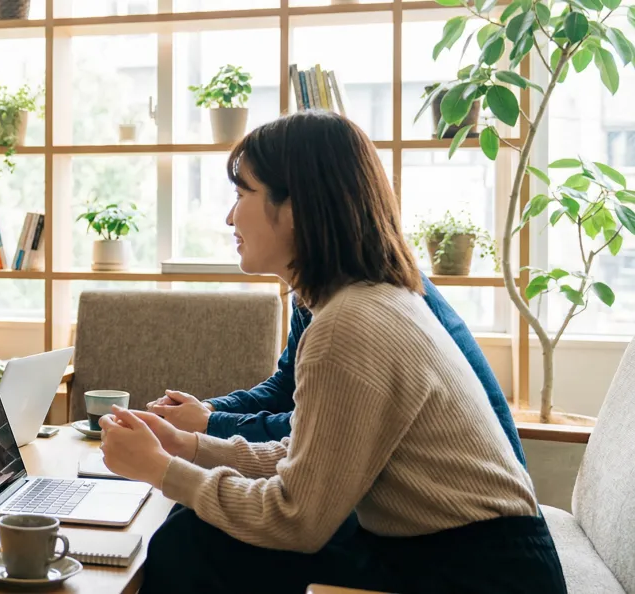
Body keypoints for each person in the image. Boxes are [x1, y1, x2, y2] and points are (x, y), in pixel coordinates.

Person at [98, 111, 563, 594]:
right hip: (463, 555)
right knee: (197, 529)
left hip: (480, 574)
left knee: (193, 542)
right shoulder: (369, 299)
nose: (229, 216)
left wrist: (158, 468)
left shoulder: (349, 324)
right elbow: (311, 456)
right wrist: (189, 447)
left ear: (297, 206)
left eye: (242, 195)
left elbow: (296, 519)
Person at [148, 276, 528, 467]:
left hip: (461, 540)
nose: (230, 217)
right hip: (415, 514)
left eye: (243, 194)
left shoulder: (357, 311)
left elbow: (314, 431)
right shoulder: (321, 290)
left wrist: (206, 431)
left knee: (185, 538)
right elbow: (288, 384)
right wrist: (208, 412)